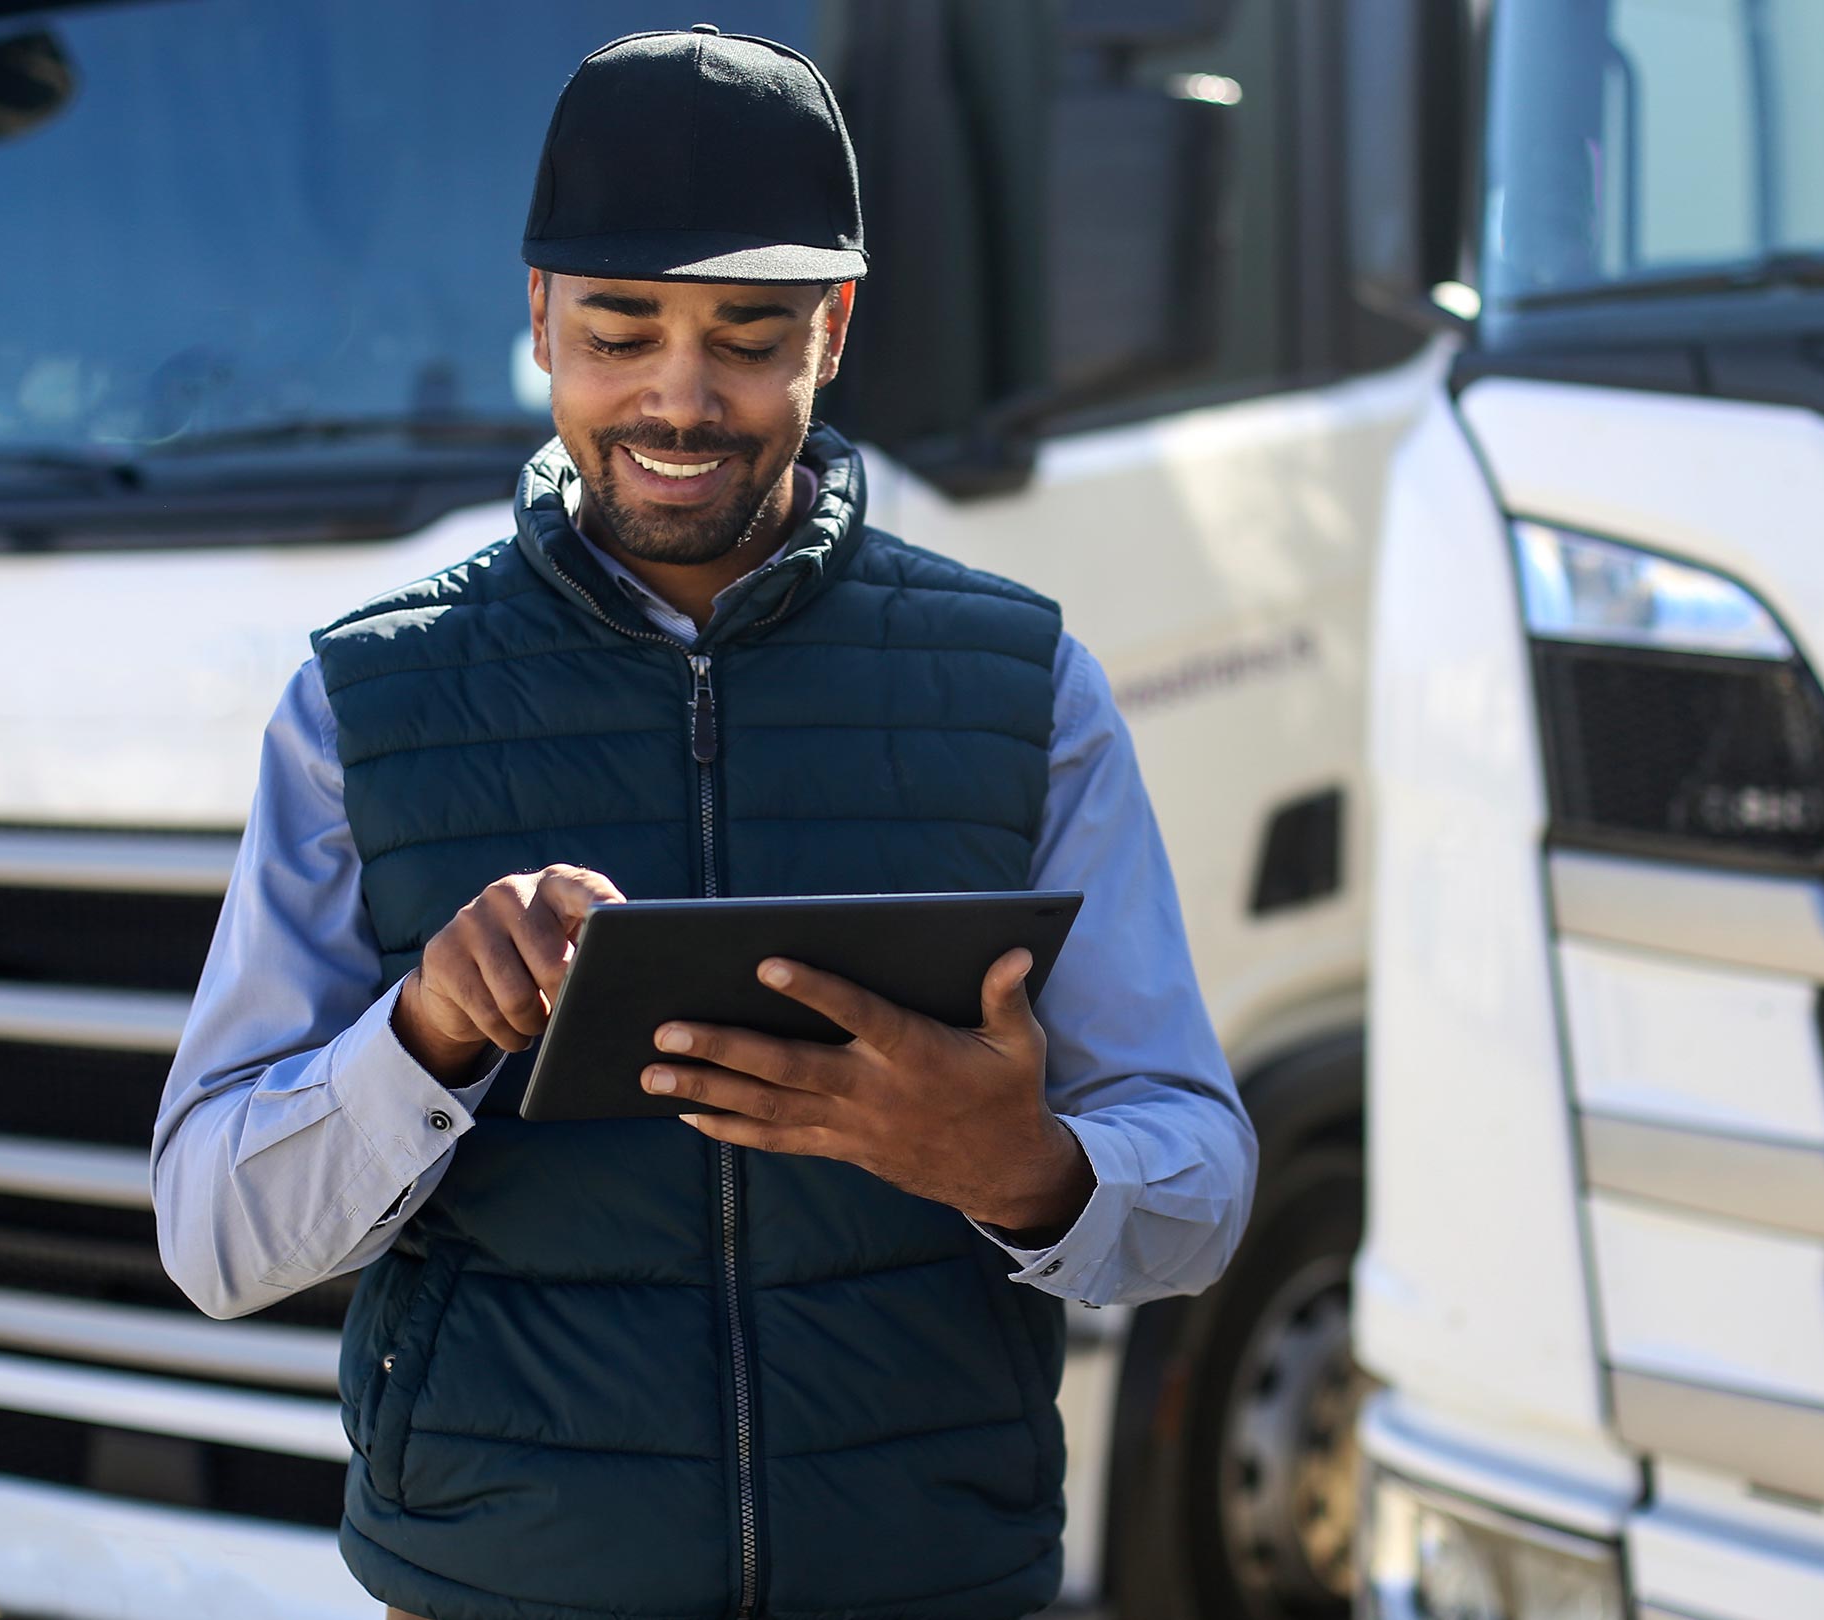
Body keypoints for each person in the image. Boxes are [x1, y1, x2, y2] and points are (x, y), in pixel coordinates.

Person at [150, 25, 1255, 1620]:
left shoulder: (1027, 685)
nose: (681, 398)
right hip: (501, 1589)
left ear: (836, 329)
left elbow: (1203, 1183)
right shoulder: (362, 705)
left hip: (924, 1582)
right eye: (619, 331)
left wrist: (1026, 1169)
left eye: (748, 337)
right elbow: (212, 1237)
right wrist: (425, 1037)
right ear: (537, 320)